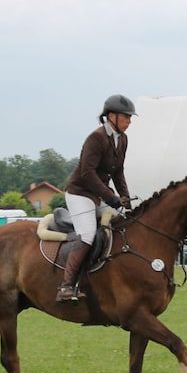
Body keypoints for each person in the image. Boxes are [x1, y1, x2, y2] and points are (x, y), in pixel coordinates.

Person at [57, 94, 135, 302]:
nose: (129, 121)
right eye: (125, 117)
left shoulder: (123, 139)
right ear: (111, 116)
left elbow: (118, 172)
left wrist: (125, 198)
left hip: (97, 195)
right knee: (88, 233)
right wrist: (111, 197)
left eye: (130, 117)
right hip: (80, 193)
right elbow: (87, 173)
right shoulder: (96, 137)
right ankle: (66, 286)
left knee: (119, 224)